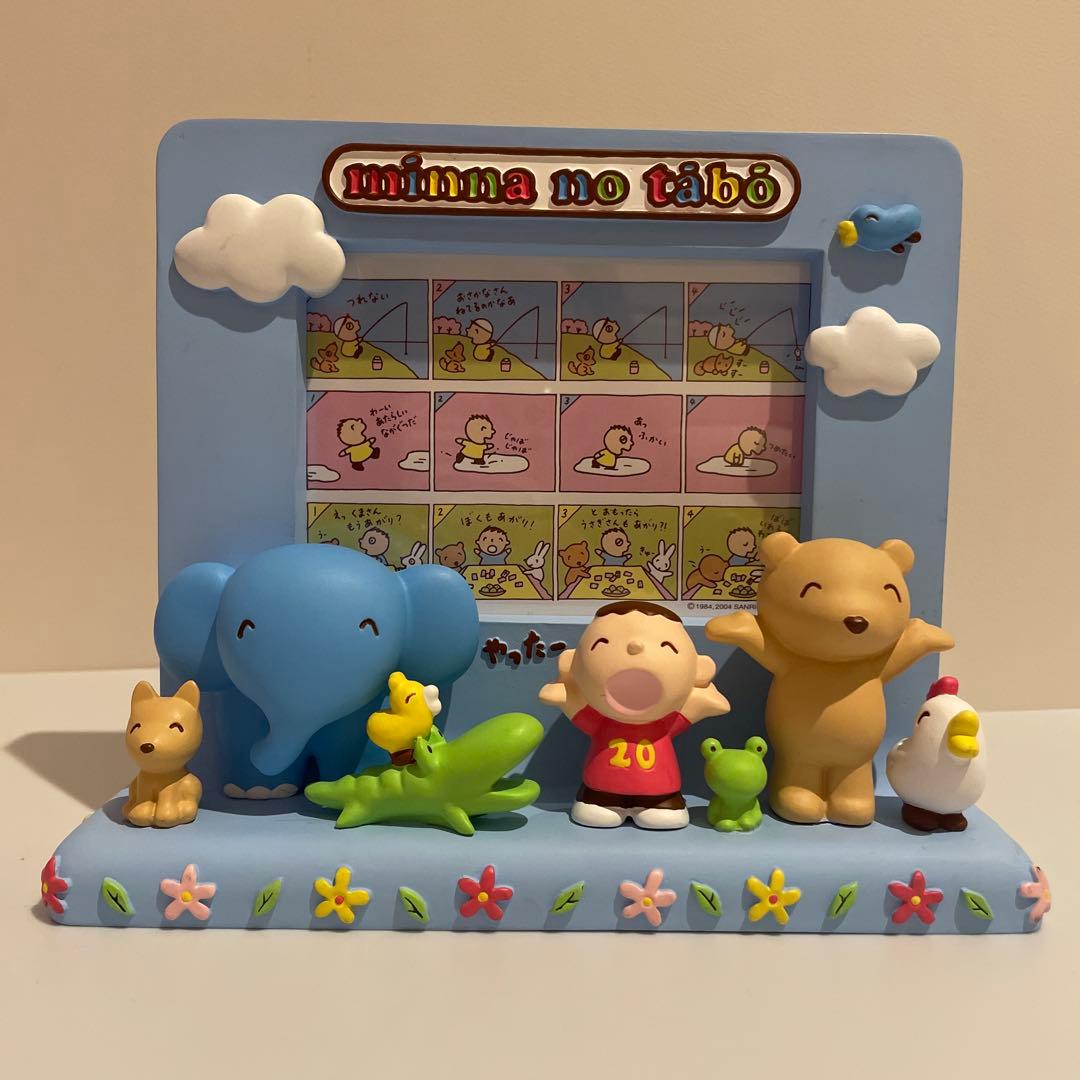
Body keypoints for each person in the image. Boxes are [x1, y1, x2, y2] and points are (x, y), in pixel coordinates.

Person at [539, 600, 730, 829]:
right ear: (572, 663)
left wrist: (704, 702)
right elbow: (576, 707)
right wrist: (566, 697)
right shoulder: (602, 721)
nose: (636, 645)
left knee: (664, 817)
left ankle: (660, 804)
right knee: (596, 813)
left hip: (659, 792)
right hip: (600, 791)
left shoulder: (666, 723)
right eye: (603, 643)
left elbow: (701, 707)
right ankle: (602, 802)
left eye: (666, 646)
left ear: (700, 670)